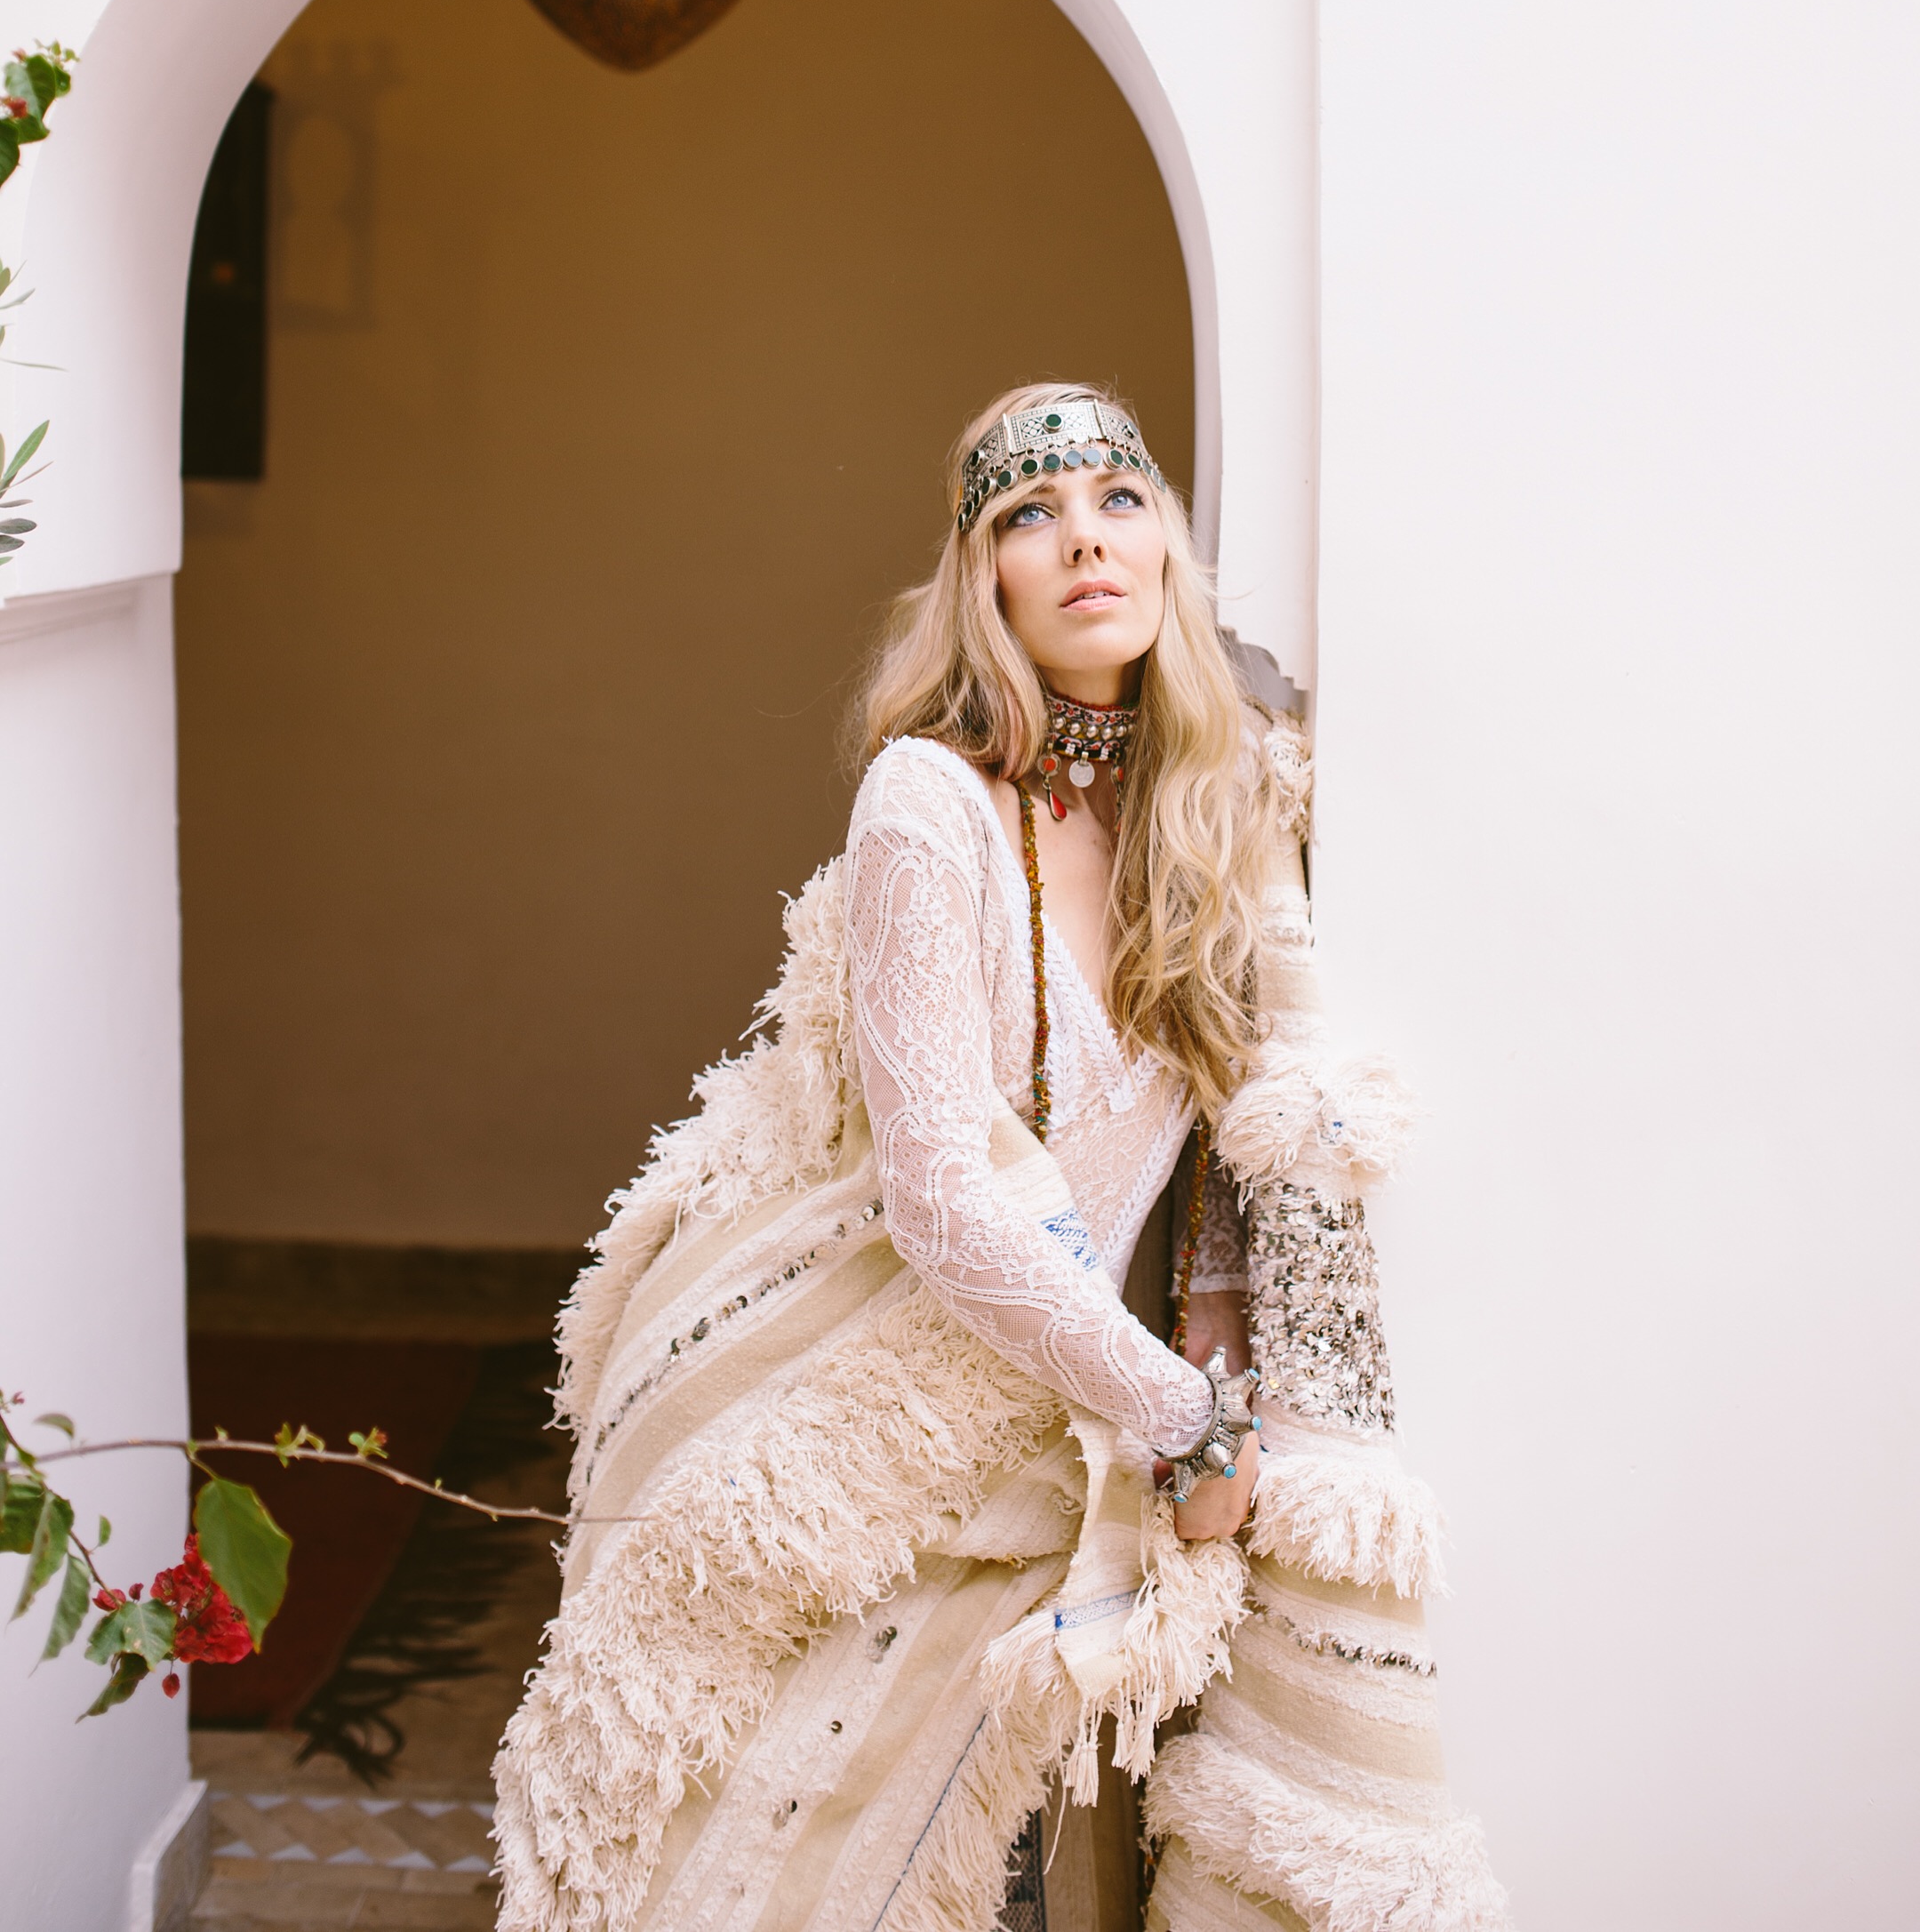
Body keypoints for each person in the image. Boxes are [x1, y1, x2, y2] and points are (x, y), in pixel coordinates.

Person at [494, 386, 1508, 1932]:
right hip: (850, 1402)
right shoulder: (931, 804)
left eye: (1116, 497)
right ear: (986, 584)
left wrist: (1216, 1360)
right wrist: (1185, 1420)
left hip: (1062, 1409)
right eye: (1027, 515)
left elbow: (1227, 1151)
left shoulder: (1206, 810)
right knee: (779, 1862)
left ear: (1166, 542)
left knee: (987, 1862)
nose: (1082, 538)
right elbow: (940, 1194)